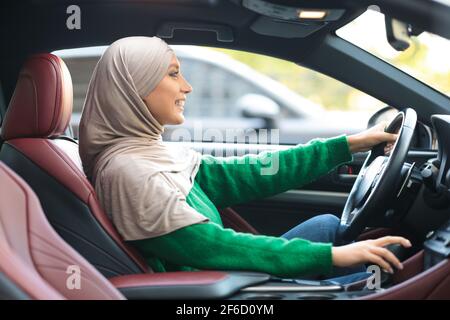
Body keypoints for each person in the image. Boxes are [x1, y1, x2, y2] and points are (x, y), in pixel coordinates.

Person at [78, 36, 411, 285]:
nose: (187, 86)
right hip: (217, 293)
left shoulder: (150, 152)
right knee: (380, 284)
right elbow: (210, 246)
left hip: (224, 275)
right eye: (173, 74)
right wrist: (332, 257)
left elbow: (250, 174)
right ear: (138, 86)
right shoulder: (130, 172)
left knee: (326, 225)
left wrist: (348, 145)